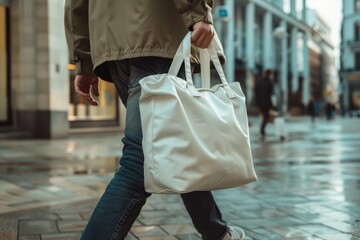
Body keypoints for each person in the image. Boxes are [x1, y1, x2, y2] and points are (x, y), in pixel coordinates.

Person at [64, 0, 245, 239]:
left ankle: (216, 232)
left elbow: (75, 4)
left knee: (178, 145)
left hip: (112, 47)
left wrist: (83, 61)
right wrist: (198, 13)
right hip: (156, 34)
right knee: (139, 160)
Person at [255, 69, 274, 139]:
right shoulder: (269, 82)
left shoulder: (259, 82)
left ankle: (262, 130)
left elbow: (256, 92)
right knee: (266, 117)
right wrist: (273, 105)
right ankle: (262, 130)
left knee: (264, 116)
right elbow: (271, 94)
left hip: (260, 103)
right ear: (269, 74)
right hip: (267, 103)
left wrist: (257, 102)